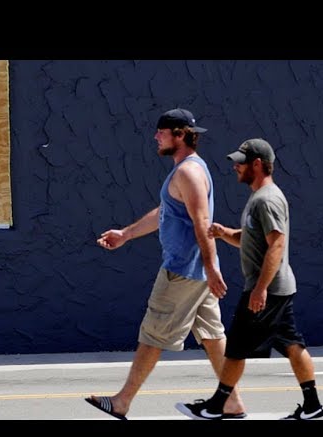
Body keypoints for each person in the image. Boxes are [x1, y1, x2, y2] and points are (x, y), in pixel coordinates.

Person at [84, 108, 246, 420]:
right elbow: (166, 211)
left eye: (162, 132)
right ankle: (232, 401)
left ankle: (122, 402)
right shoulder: (186, 170)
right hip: (196, 272)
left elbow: (202, 223)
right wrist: (126, 234)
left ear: (180, 134)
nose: (155, 136)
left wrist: (212, 268)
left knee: (153, 334)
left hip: (183, 271)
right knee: (213, 337)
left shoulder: (189, 172)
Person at [175, 138, 323, 420]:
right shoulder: (260, 198)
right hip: (277, 288)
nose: (235, 166)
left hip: (267, 289)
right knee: (293, 345)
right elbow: (252, 239)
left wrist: (260, 289)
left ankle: (217, 407)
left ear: (257, 164)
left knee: (235, 348)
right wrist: (225, 233)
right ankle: (313, 406)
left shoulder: (267, 200)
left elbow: (276, 244)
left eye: (240, 162)